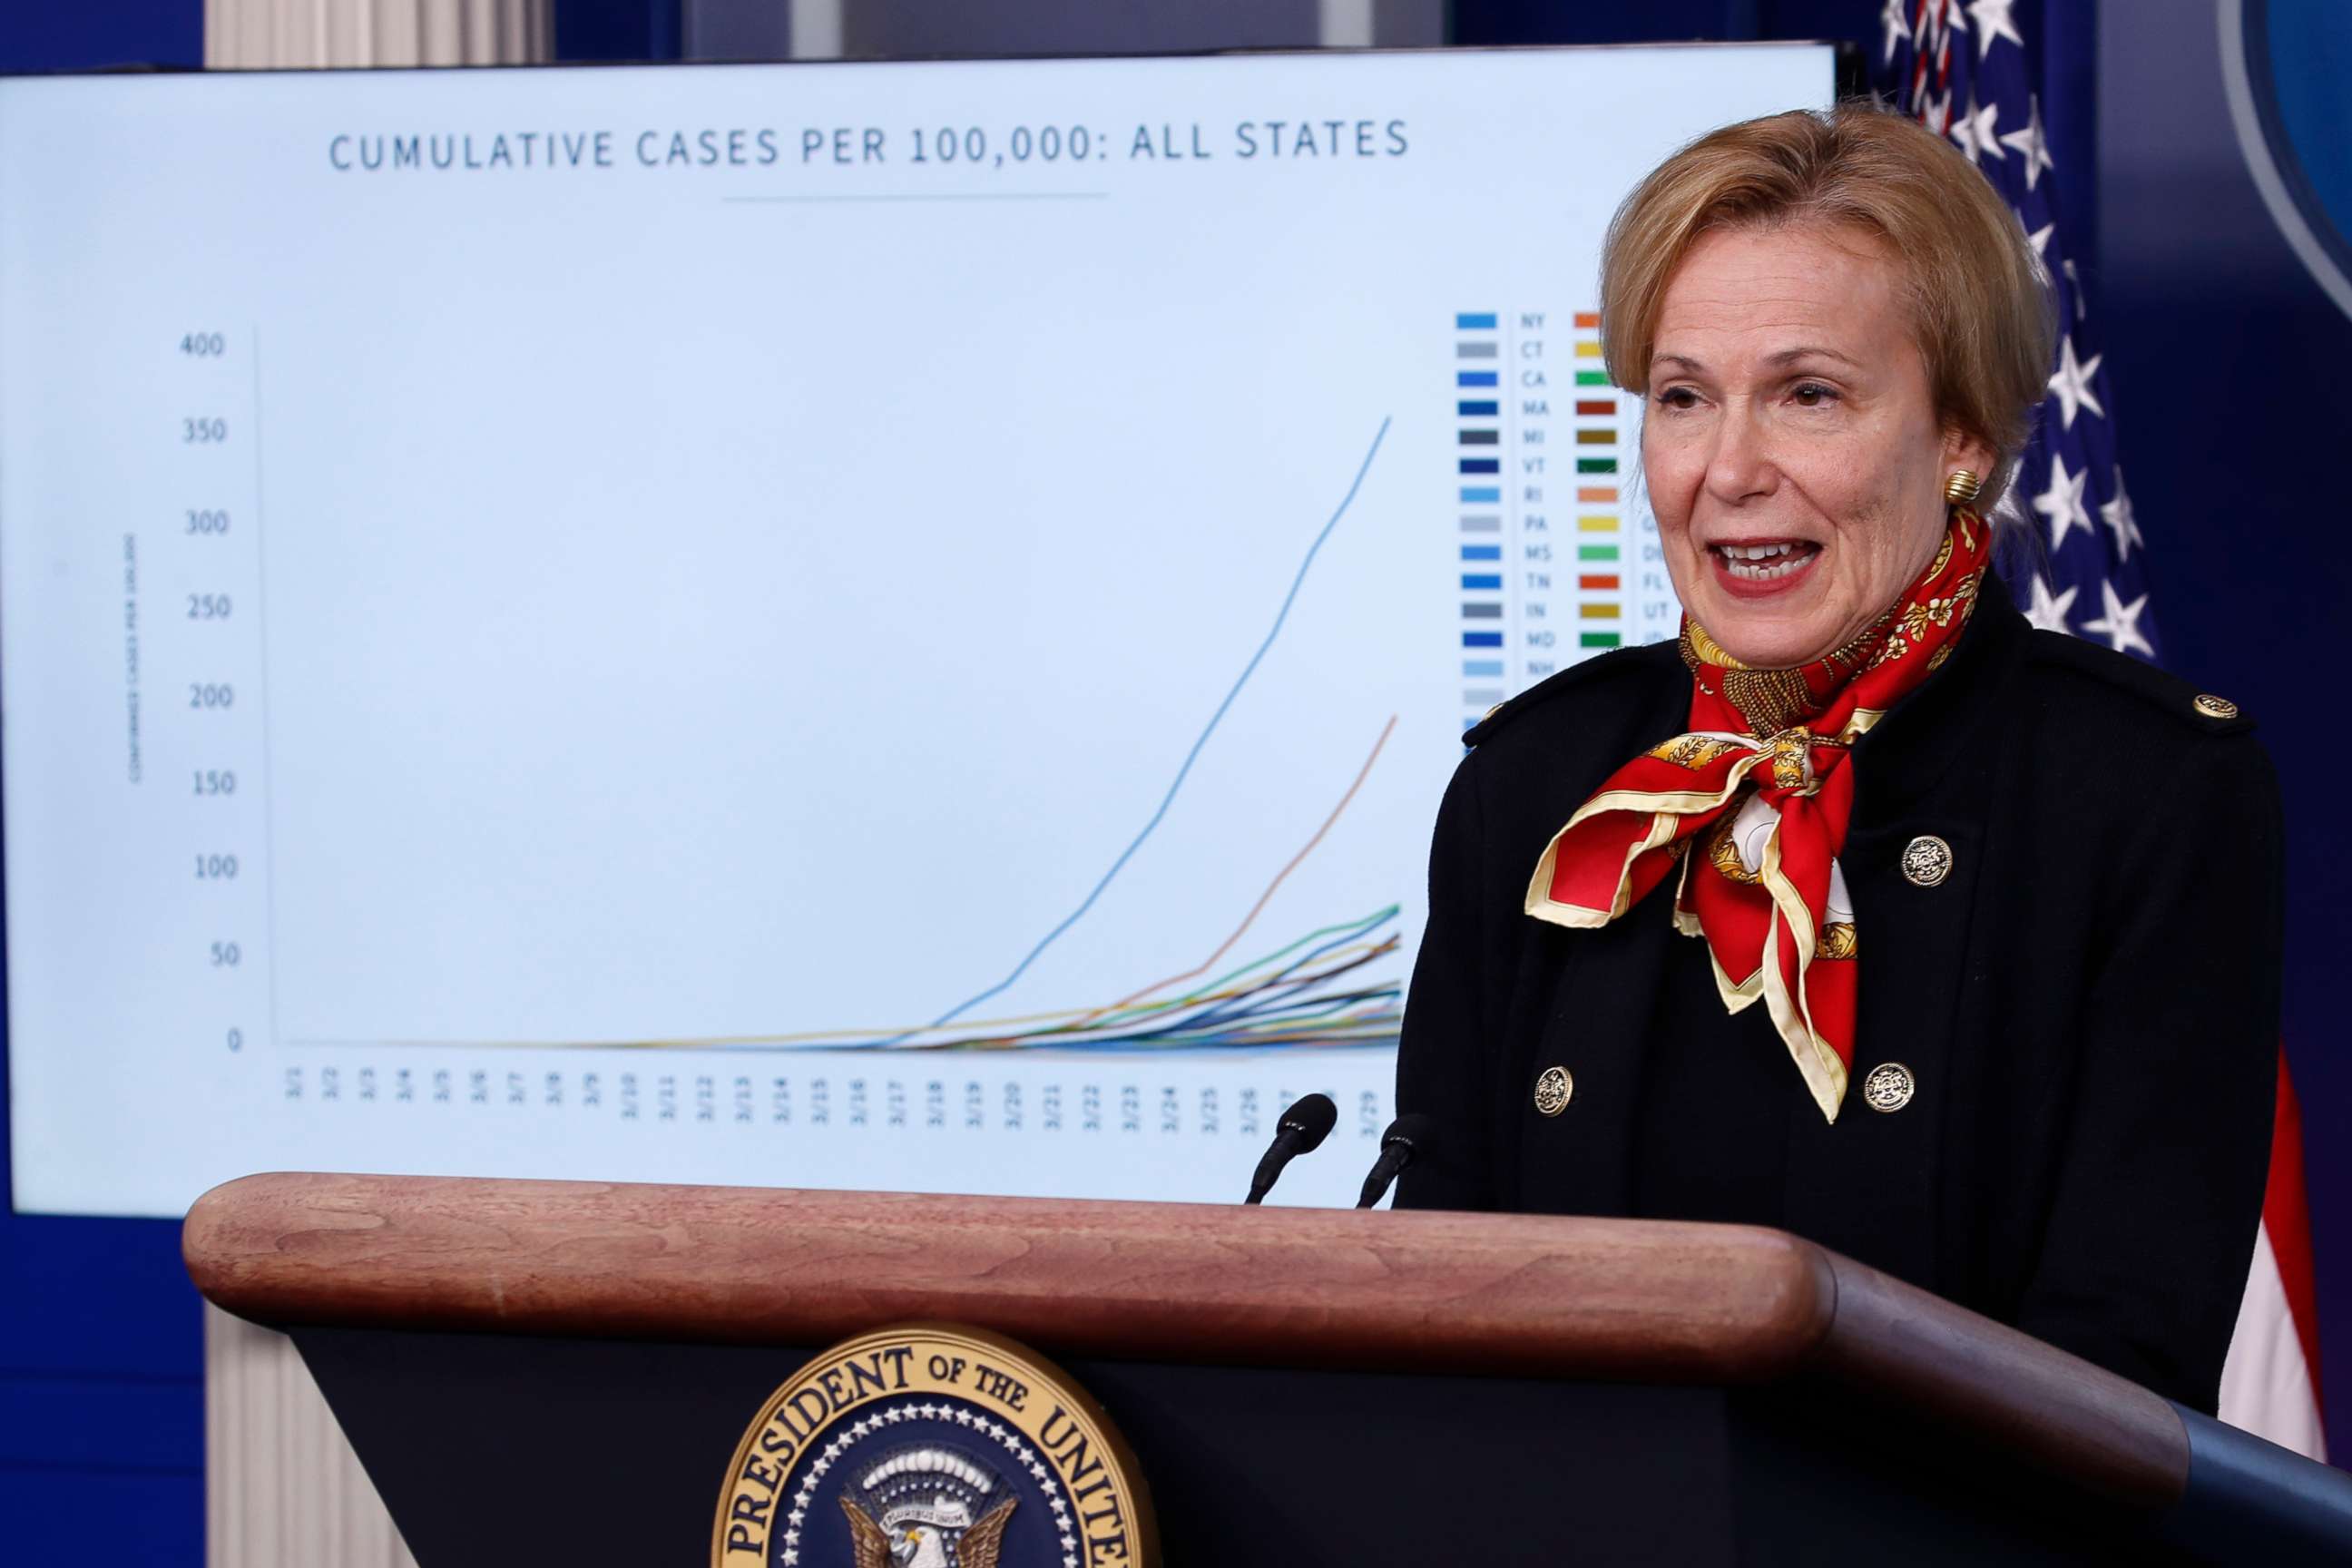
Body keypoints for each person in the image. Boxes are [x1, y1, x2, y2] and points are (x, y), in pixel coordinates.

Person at [1392, 103, 2281, 1416]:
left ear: (1964, 437)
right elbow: (1435, 1313)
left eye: (1808, 395)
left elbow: (2122, 1373)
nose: (1729, 470)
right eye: (1684, 398)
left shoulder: (2149, 796)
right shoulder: (1535, 785)